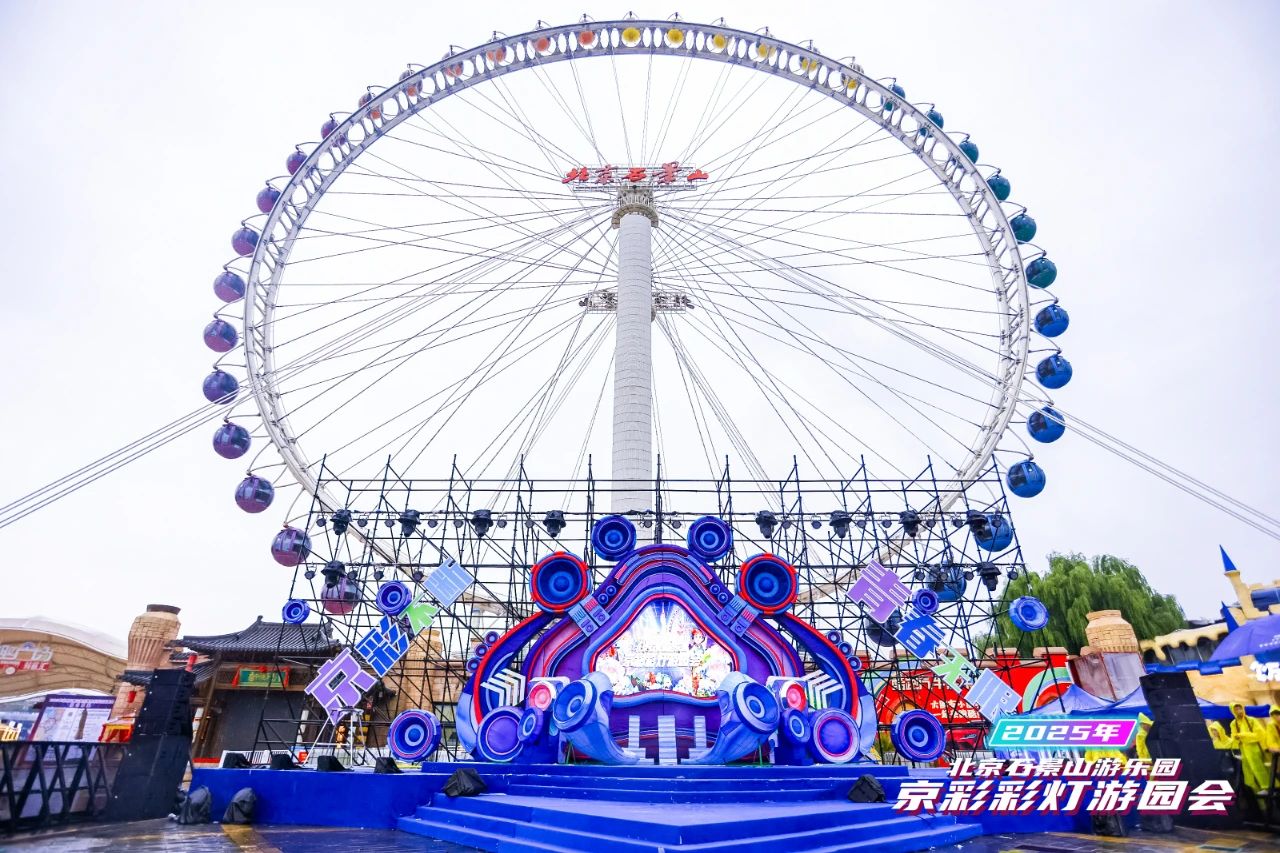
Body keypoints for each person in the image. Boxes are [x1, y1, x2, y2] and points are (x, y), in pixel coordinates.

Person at [1228, 701, 1269, 794]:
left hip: (1255, 747)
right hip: (1244, 750)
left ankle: (1268, 787)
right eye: (1236, 709)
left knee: (1260, 768)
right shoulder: (1233, 724)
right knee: (1249, 771)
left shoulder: (1251, 720)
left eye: (1240, 708)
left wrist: (1243, 735)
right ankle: (1257, 790)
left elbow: (1260, 734)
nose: (1239, 711)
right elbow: (1233, 737)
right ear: (1233, 711)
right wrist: (1235, 748)